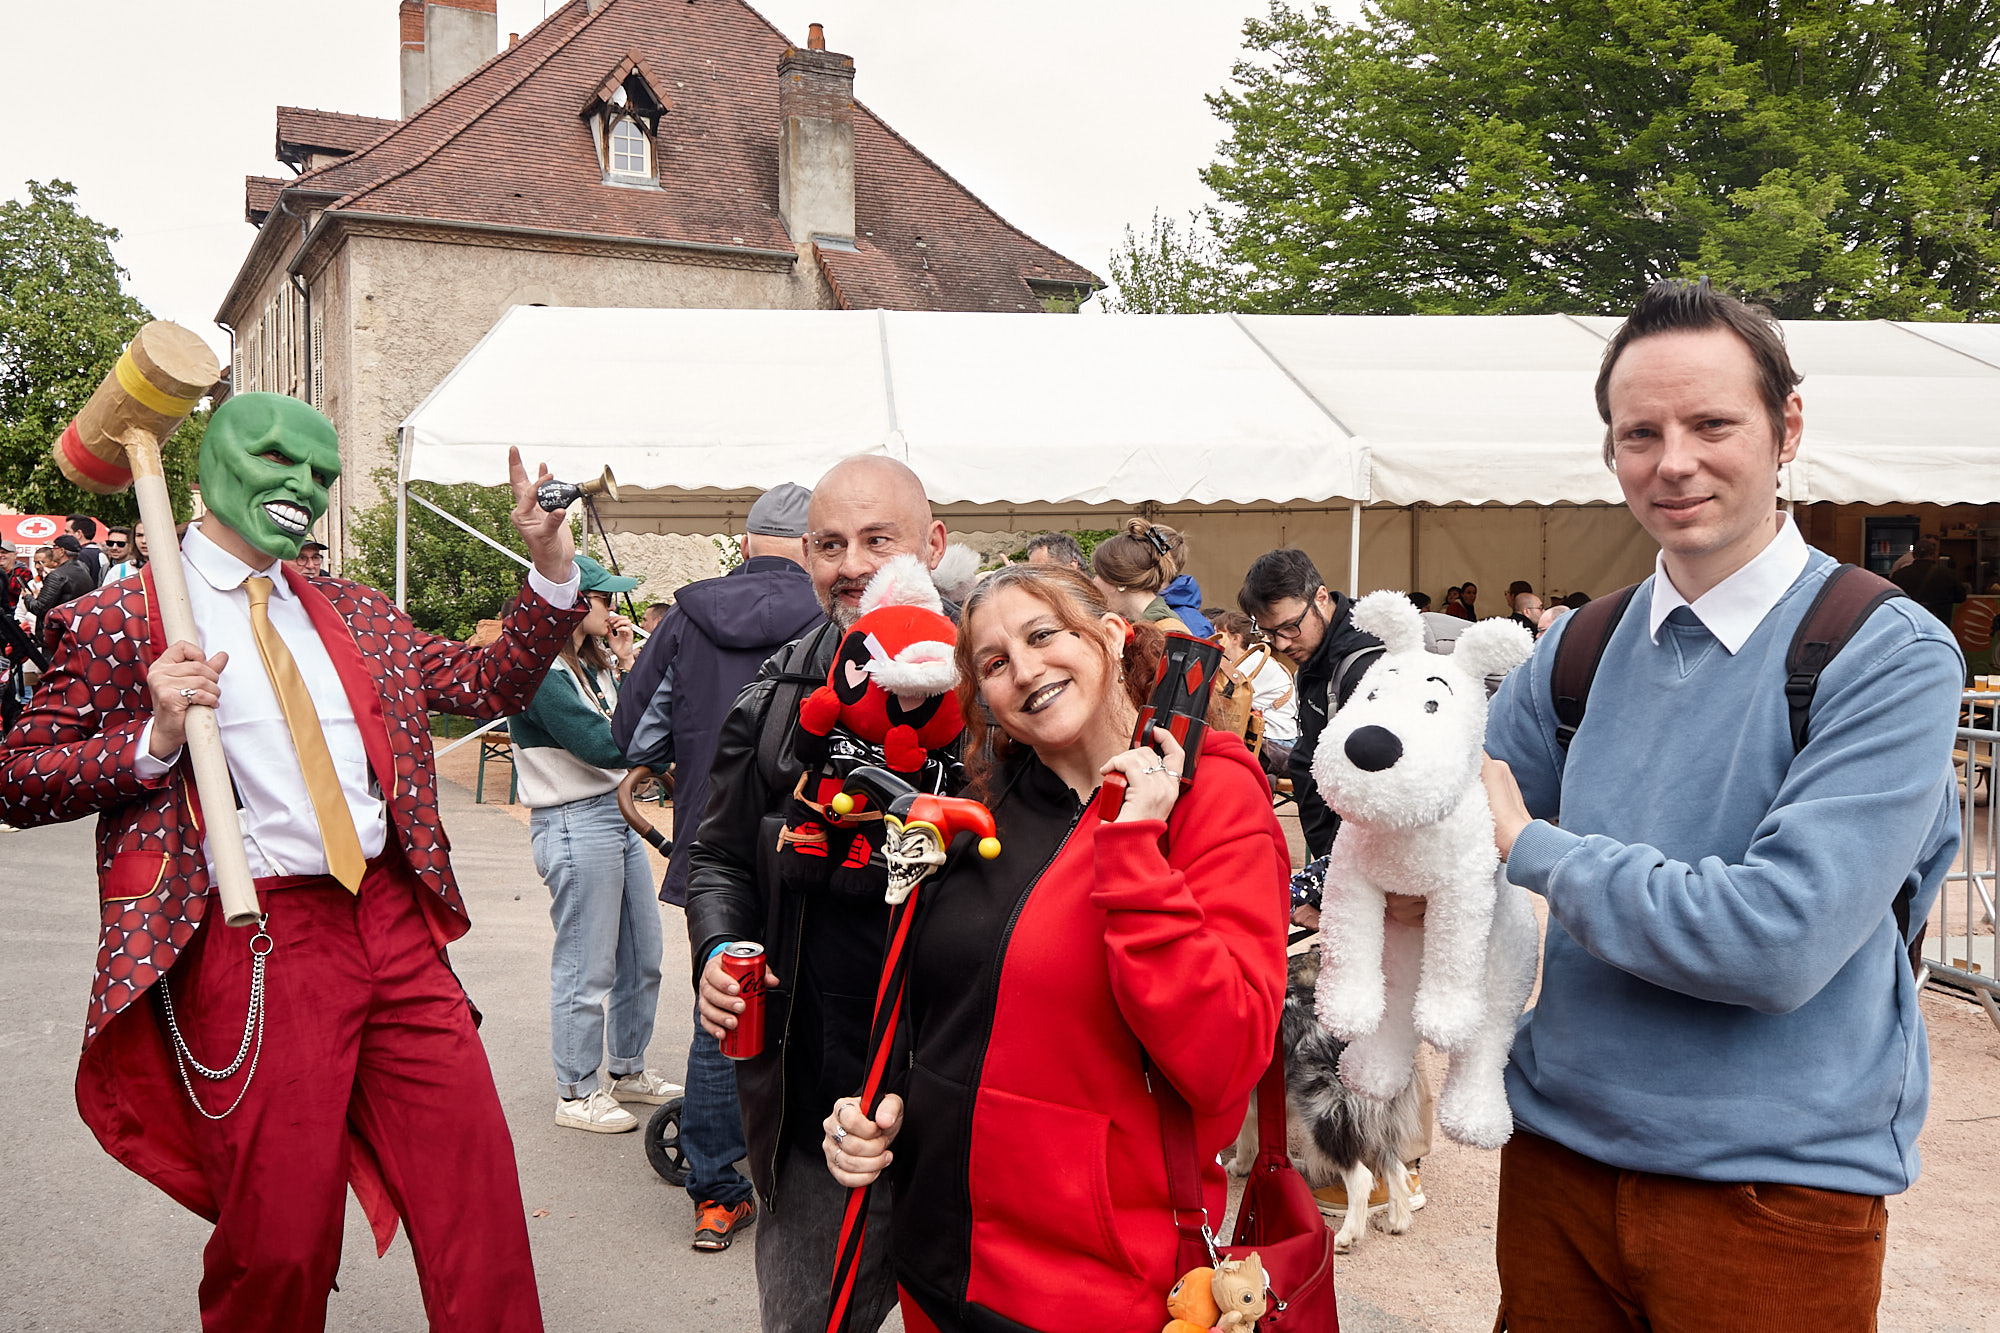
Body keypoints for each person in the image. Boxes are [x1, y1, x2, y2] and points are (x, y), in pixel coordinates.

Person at [0, 393, 581, 1333]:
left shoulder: (354, 608)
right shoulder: (125, 617)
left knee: (476, 1198)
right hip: (255, 935)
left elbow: (486, 681)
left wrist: (550, 567)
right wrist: (152, 737)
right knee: (280, 1238)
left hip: (391, 918)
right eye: (278, 459)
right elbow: (19, 776)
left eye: (321, 472)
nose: (303, 486)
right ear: (205, 468)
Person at [1481, 279, 1961, 1332]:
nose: (1673, 462)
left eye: (1710, 424)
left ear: (1786, 428)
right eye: (1639, 433)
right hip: (1557, 1162)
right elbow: (1446, 822)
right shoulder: (1577, 647)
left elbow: (1775, 941)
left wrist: (1537, 850)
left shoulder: (1883, 650)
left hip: (1774, 1190)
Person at [821, 565, 1289, 1332]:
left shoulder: (1212, 800)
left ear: (1110, 635)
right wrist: (886, 1109)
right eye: (995, 662)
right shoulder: (986, 806)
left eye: (1044, 635)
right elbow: (951, 1017)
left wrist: (1134, 849)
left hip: (1096, 1292)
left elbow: (1225, 1057)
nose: (1026, 668)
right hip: (939, 1268)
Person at [686, 456, 949, 1333]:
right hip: (817, 1107)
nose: (853, 565)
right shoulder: (777, 693)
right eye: (831, 545)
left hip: (962, 1099)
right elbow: (718, 857)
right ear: (805, 556)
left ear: (932, 545)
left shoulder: (995, 689)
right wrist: (718, 949)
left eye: (879, 540)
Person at [611, 481, 825, 1251]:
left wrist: (689, 753)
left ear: (744, 543)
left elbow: (633, 734)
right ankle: (808, 1177)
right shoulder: (835, 615)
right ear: (814, 547)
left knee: (723, 1003)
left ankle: (716, 1192)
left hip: (716, 840)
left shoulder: (687, 615)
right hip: (819, 839)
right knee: (822, 999)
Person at [511, 555, 681, 1134]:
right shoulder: (540, 671)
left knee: (642, 955)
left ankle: (627, 1069)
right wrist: (668, 742)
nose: (613, 609)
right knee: (587, 965)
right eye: (605, 599)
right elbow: (607, 743)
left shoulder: (590, 664)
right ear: (574, 604)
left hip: (613, 815)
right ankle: (577, 1090)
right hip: (574, 819)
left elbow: (627, 722)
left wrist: (628, 661)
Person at [1237, 548, 1383, 859]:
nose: (1281, 643)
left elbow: (1373, 789)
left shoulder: (1369, 667)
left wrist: (1336, 868)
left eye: (1290, 626)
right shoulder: (1314, 654)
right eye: (1269, 633)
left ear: (1320, 597)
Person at [1213, 609, 1298, 778]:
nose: (1215, 638)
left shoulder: (1253, 663)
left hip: (1275, 744)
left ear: (1236, 638)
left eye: (1220, 634)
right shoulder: (1248, 659)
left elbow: (1221, 698)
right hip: (1273, 739)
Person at [1090, 518, 1192, 633]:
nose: (1094, 582)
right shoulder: (1149, 626)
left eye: (1097, 573)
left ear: (1120, 581)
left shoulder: (1163, 631)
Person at [26, 535, 95, 645]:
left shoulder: (57, 575)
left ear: (62, 551)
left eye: (54, 548)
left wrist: (27, 597)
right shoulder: (83, 568)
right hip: (78, 629)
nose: (52, 551)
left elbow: (39, 608)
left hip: (57, 635)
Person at [1891, 536, 1968, 629]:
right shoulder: (1947, 574)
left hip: (1910, 624)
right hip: (1939, 623)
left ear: (1914, 555)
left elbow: (1893, 600)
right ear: (1934, 554)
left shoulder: (1899, 575)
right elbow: (1961, 597)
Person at [66, 514, 103, 583]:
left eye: (67, 531)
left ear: (78, 533)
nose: (64, 535)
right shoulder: (99, 552)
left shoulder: (81, 555)